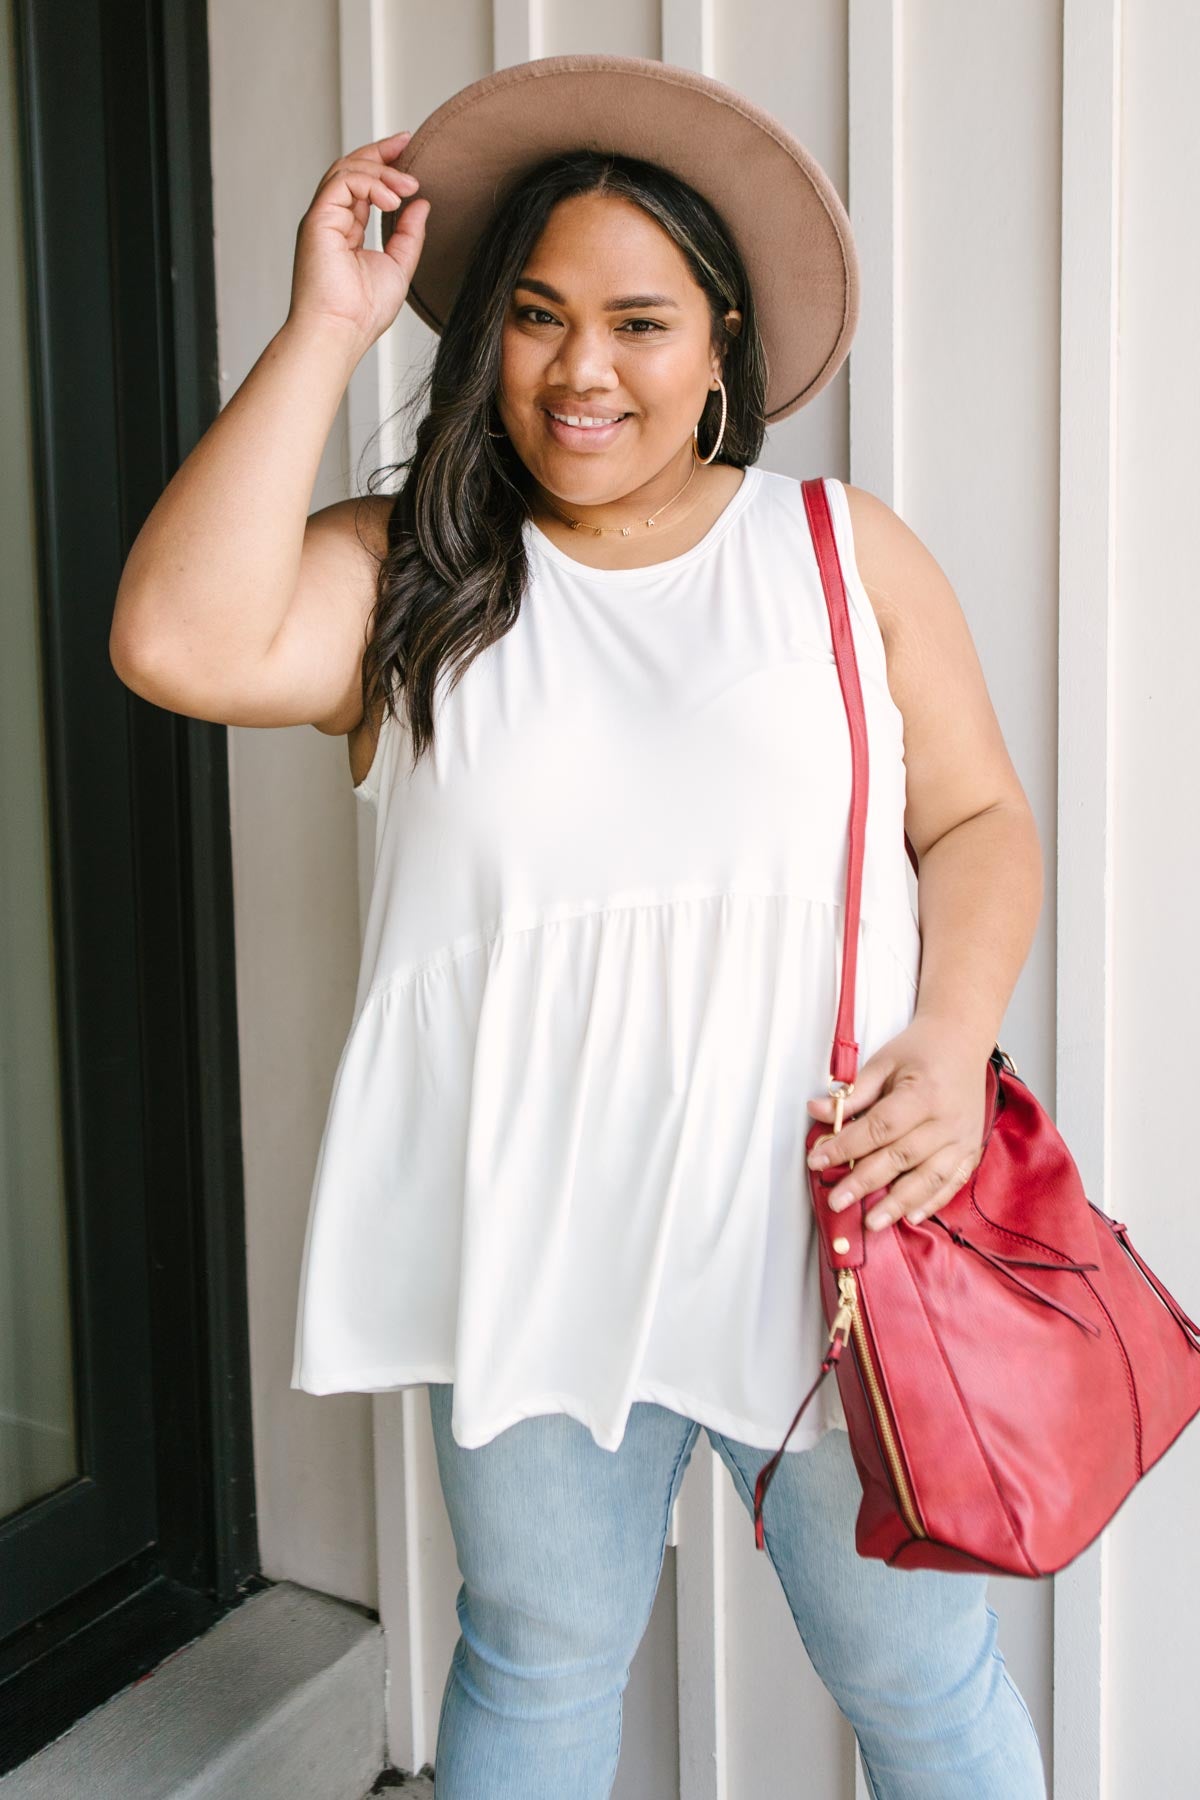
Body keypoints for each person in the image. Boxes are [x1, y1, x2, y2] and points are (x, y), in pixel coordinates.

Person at [110, 53, 1048, 1800]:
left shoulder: (843, 557)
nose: (583, 368)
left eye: (639, 319)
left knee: (923, 1683)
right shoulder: (424, 575)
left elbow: (981, 820)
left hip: (829, 1237)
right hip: (538, 1244)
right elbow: (175, 638)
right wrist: (327, 325)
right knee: (539, 1666)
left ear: (721, 353)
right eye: (536, 316)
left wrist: (950, 1036)